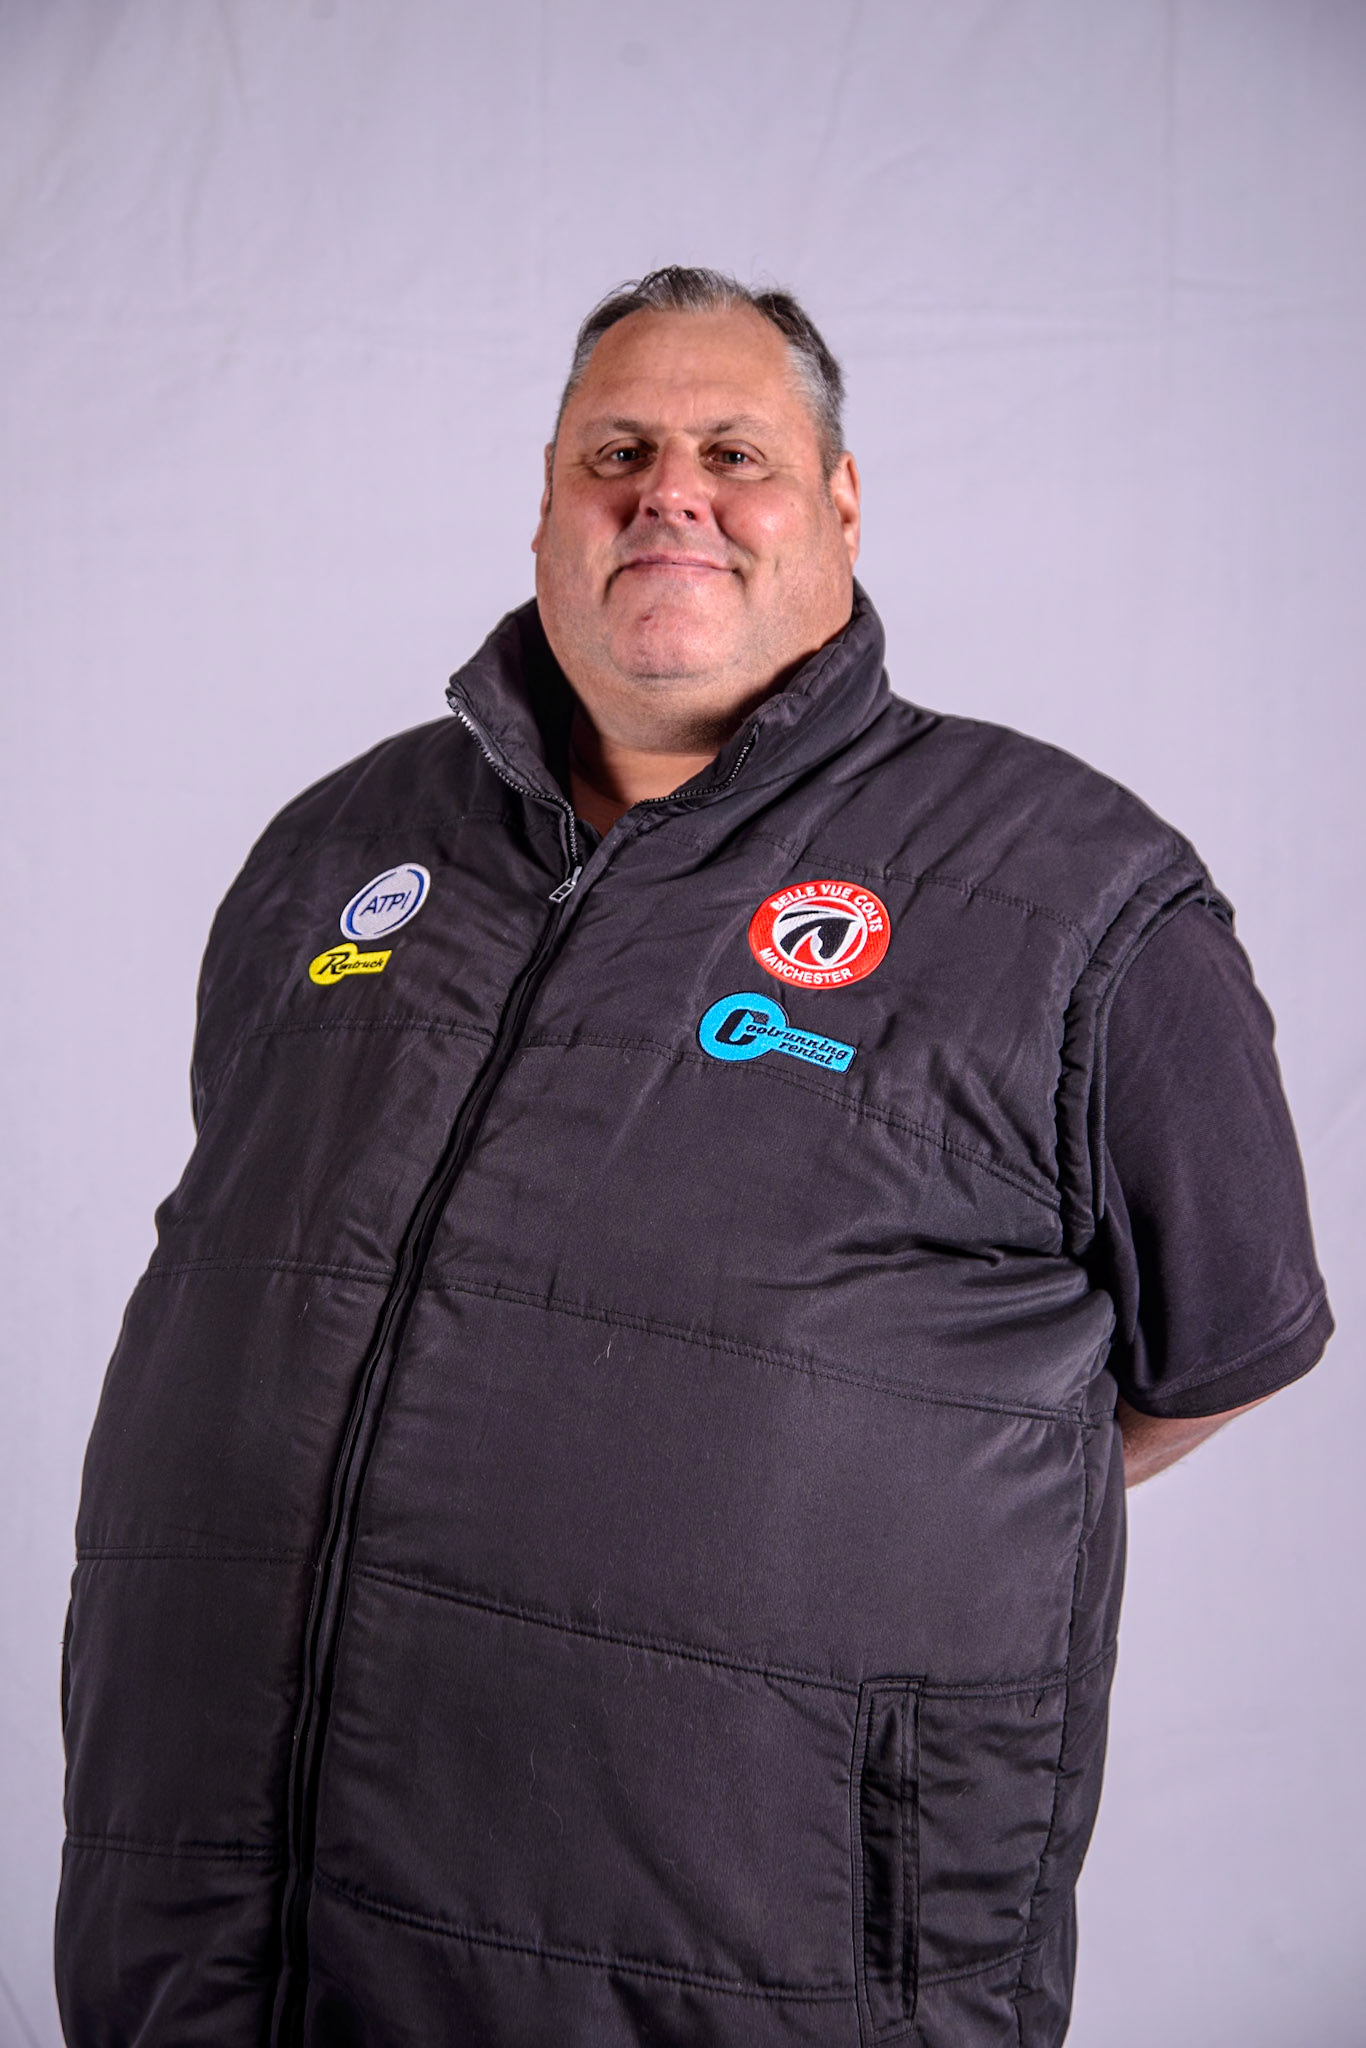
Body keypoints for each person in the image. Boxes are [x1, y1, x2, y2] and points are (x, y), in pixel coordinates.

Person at [56, 267, 1331, 2047]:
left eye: (734, 450)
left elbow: (1221, 1346)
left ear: (837, 504)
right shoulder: (341, 844)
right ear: (547, 510)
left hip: (747, 1955)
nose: (670, 490)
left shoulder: (1070, 891)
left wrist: (863, 1496)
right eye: (617, 452)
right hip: (222, 1929)